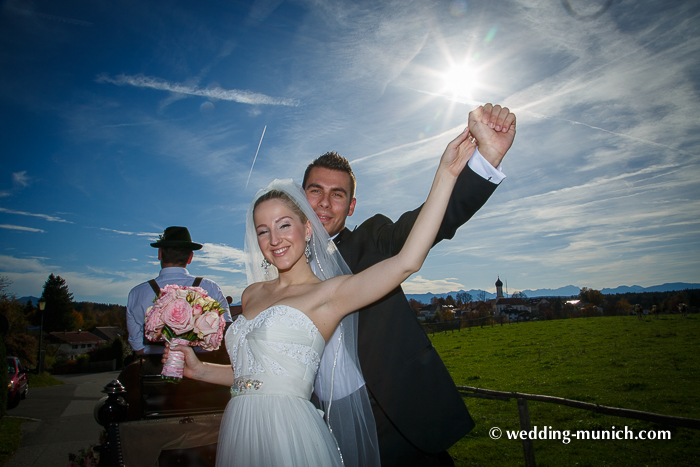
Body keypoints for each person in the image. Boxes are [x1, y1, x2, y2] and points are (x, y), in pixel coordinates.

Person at [165, 110, 484, 467]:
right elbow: (262, 372)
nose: (274, 239)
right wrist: (200, 370)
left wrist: (450, 172)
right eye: (263, 230)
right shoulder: (253, 294)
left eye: (284, 225)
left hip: (380, 418)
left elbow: (410, 256)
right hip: (265, 429)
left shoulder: (339, 282)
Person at [302, 104, 516, 466]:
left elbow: (433, 221)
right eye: (315, 190)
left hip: (393, 420)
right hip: (314, 431)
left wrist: (486, 160)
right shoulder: (280, 265)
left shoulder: (375, 241)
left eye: (337, 194)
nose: (324, 202)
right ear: (299, 197)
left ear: (351, 206)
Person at [126, 226, 231, 355]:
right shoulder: (210, 287)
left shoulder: (137, 293)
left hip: (153, 367)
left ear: (160, 253)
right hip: (202, 366)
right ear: (190, 257)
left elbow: (138, 347)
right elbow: (226, 331)